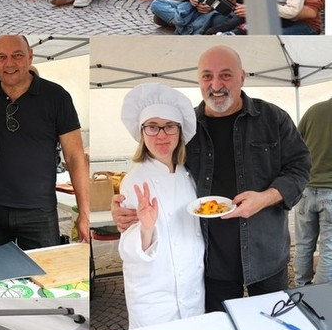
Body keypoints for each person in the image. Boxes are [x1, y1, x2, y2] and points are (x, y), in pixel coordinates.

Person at [114, 45, 312, 313]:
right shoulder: (186, 127)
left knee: (271, 328)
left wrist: (266, 198)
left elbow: (300, 167)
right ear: (198, 80)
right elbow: (162, 170)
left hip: (266, 255)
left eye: (226, 75)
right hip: (211, 262)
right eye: (207, 76)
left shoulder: (272, 118)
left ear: (242, 77)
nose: (216, 85)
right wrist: (124, 208)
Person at [0, 34, 90, 248]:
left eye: (17, 56)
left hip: (39, 212)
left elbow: (74, 156)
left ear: (30, 57)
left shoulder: (56, 97)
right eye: (1, 57)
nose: (9, 64)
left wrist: (85, 212)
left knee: (45, 278)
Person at [117, 82, 203, 327]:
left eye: (169, 127)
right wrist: (145, 228)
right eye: (152, 127)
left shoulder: (189, 176)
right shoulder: (135, 180)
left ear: (180, 131)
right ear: (142, 133)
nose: (162, 135)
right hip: (153, 298)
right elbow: (128, 251)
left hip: (193, 291)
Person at [294, 86, 332, 286]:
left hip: (305, 190)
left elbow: (295, 144)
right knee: (328, 250)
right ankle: (319, 296)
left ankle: (301, 290)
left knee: (303, 245)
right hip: (330, 194)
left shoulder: (313, 111)